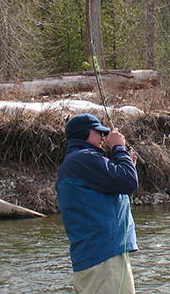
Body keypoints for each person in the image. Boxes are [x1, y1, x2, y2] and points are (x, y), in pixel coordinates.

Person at [57, 113, 138, 294]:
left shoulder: (77, 162)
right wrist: (118, 148)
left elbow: (119, 187)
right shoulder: (83, 158)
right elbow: (129, 183)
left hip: (96, 260)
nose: (103, 138)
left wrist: (127, 165)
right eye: (98, 133)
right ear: (84, 133)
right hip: (104, 263)